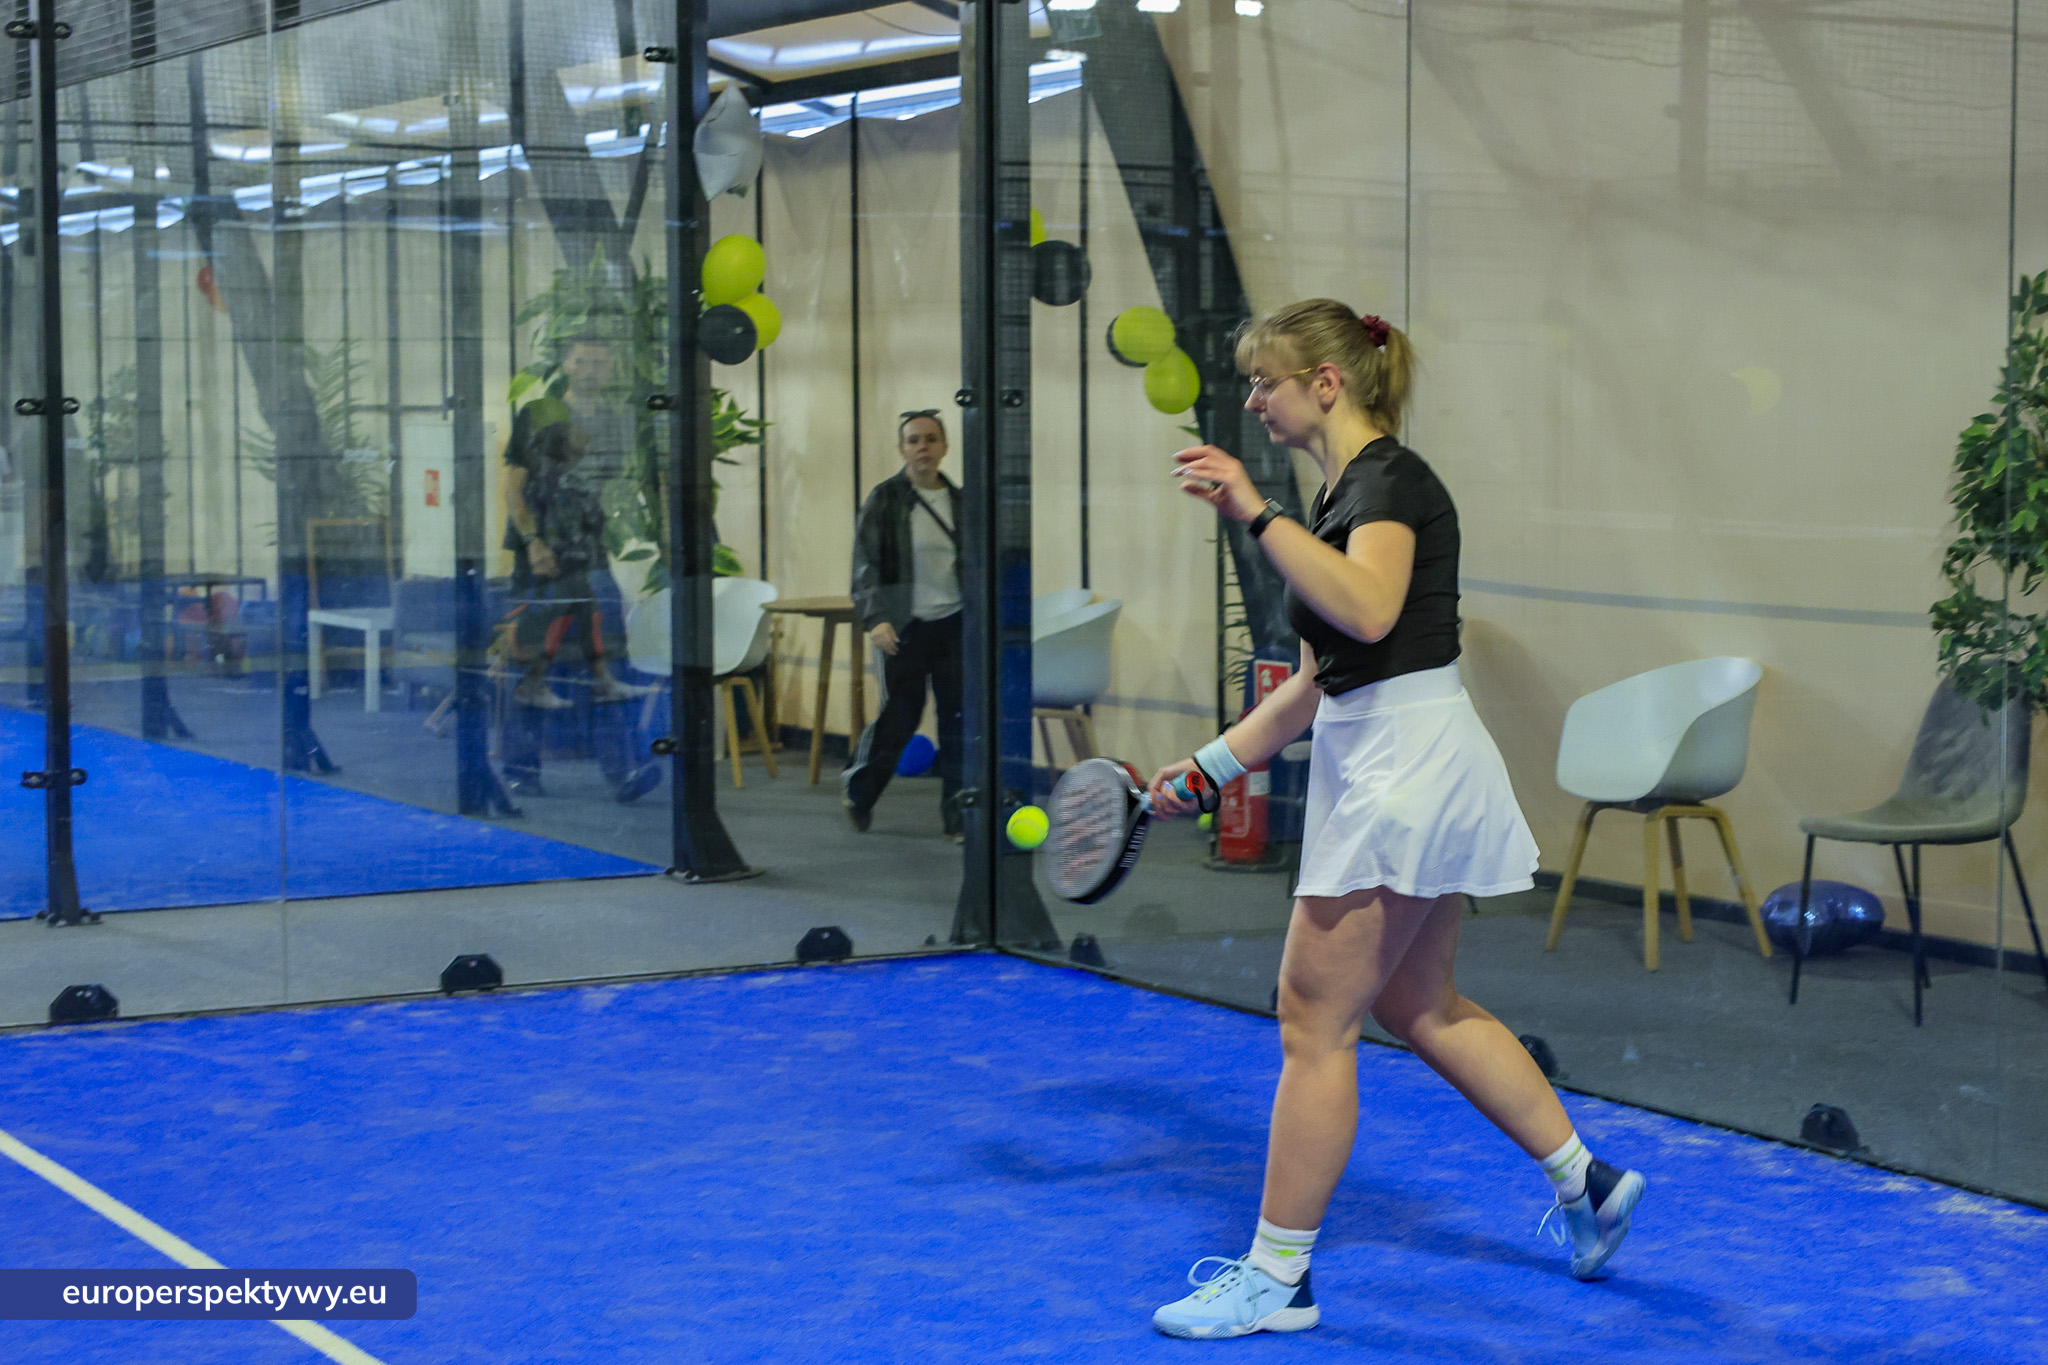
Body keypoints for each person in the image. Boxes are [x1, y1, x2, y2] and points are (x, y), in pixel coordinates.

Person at [1146, 301, 1644, 1340]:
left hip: (1400, 769)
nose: (1252, 402)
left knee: (1310, 1022)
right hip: (1401, 752)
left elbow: (1369, 612)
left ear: (1325, 383)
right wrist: (1205, 769)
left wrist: (1250, 511)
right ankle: (1583, 1182)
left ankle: (1276, 1280)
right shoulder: (1341, 496)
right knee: (1419, 1002)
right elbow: (1325, 677)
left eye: (1264, 383)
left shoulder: (1385, 484)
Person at [500, 332, 658, 802]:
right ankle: (519, 770)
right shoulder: (540, 413)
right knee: (532, 653)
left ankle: (623, 770)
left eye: (601, 363)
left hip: (589, 557)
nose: (593, 370)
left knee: (606, 654)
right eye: (583, 361)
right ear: (566, 365)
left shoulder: (613, 422)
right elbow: (513, 487)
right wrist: (532, 542)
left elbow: (613, 490)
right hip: (540, 560)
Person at [843, 409, 964, 838]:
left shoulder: (961, 501)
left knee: (958, 722)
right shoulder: (885, 499)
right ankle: (860, 791)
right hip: (905, 628)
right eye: (913, 441)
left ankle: (957, 815)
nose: (923, 448)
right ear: (902, 449)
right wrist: (876, 619)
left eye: (931, 439)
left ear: (945, 447)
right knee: (901, 717)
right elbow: (865, 564)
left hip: (954, 625)